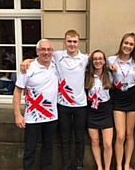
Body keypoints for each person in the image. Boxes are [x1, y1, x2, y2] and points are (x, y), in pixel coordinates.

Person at [20, 30, 88, 170]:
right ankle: (66, 166)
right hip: (62, 105)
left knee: (79, 138)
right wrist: (27, 61)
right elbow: (42, 57)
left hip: (81, 104)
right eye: (69, 41)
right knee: (64, 138)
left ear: (78, 42)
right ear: (64, 42)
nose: (72, 44)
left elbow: (100, 62)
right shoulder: (57, 56)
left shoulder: (85, 58)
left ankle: (79, 165)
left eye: (74, 41)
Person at [13, 39, 58, 170]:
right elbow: (17, 91)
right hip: (32, 118)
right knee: (30, 149)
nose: (46, 52)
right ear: (37, 51)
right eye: (43, 49)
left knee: (48, 148)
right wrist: (17, 114)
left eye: (49, 49)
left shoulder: (56, 65)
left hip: (51, 117)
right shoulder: (28, 68)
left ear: (52, 52)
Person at [108, 33, 135, 170]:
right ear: (121, 44)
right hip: (118, 96)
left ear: (134, 47)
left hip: (132, 96)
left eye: (131, 44)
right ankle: (119, 166)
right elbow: (106, 80)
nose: (128, 46)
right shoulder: (111, 60)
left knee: (129, 134)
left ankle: (127, 165)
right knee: (120, 136)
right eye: (126, 43)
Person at [85, 50, 113, 170]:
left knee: (107, 143)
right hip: (91, 110)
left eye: (100, 59)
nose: (98, 61)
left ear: (104, 61)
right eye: (95, 59)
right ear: (91, 61)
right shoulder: (86, 76)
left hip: (105, 109)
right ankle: (99, 167)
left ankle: (107, 168)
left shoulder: (110, 75)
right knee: (95, 141)